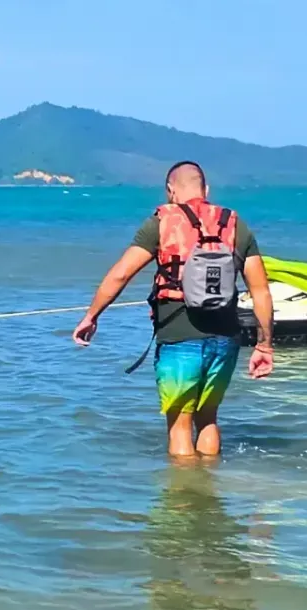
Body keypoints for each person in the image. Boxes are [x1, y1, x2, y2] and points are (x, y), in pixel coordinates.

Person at [72, 161, 274, 459]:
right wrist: (265, 345)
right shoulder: (235, 224)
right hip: (225, 339)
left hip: (179, 336)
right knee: (208, 419)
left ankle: (184, 500)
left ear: (170, 191)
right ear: (206, 190)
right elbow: (260, 290)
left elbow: (120, 274)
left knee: (180, 426)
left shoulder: (162, 223)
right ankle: (209, 494)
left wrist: (91, 316)